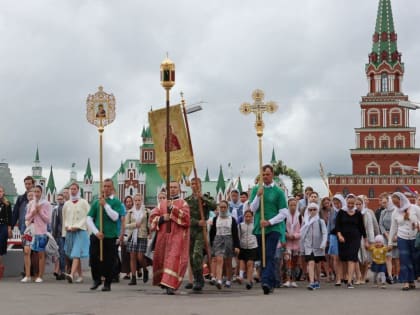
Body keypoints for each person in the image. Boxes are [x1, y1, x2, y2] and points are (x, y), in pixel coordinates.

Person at [250, 164, 288, 295]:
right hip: (259, 228)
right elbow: (252, 209)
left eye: (267, 174)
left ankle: (265, 281)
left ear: (272, 175)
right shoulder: (256, 189)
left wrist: (270, 222)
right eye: (263, 174)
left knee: (269, 254)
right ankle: (271, 282)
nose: (265, 176)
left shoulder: (279, 192)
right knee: (263, 256)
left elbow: (283, 213)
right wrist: (258, 196)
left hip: (274, 228)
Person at [149, 182, 190, 295]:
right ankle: (164, 282)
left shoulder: (183, 203)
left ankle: (170, 285)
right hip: (163, 236)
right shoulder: (161, 203)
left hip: (177, 236)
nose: (172, 189)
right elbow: (152, 217)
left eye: (174, 187)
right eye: (170, 187)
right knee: (162, 259)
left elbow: (186, 219)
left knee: (174, 259)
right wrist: (162, 218)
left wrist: (173, 210)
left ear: (179, 189)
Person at [87, 179, 124, 292]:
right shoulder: (96, 202)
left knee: (109, 260)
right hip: (98, 234)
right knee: (93, 257)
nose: (106, 188)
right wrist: (96, 232)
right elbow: (89, 218)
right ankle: (96, 279)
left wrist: (106, 205)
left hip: (110, 235)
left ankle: (107, 282)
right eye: (104, 186)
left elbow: (115, 217)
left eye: (108, 186)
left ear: (112, 188)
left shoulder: (116, 202)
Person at [185, 177, 216, 292]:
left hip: (200, 232)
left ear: (200, 185)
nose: (194, 185)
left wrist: (202, 198)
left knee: (197, 255)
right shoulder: (187, 200)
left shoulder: (205, 198)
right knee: (192, 258)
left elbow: (214, 206)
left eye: (196, 184)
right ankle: (198, 278)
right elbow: (185, 217)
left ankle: (199, 279)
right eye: (192, 184)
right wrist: (197, 222)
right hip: (191, 230)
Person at [388, 192, 420, 291]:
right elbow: (393, 228)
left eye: (398, 202)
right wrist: (390, 242)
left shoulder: (415, 208)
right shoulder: (395, 212)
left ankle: (412, 280)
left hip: (415, 237)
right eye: (394, 203)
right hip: (402, 238)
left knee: (415, 259)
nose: (397, 205)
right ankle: (406, 282)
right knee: (405, 259)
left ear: (402, 200)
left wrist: (416, 223)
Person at [336, 194, 367, 289]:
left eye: (352, 203)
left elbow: (362, 228)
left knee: (352, 258)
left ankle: (350, 280)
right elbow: (337, 226)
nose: (350, 205)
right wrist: (339, 235)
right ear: (346, 202)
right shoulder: (341, 212)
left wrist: (365, 240)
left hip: (355, 238)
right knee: (344, 258)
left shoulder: (358, 213)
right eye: (349, 203)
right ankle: (344, 278)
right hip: (343, 239)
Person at [209, 200, 240, 289]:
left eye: (224, 207)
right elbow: (212, 232)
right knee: (219, 259)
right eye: (221, 207)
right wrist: (212, 243)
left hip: (229, 239)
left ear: (227, 208)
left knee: (228, 262)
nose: (222, 209)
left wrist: (237, 246)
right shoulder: (216, 219)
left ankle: (228, 280)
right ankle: (219, 280)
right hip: (218, 239)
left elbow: (235, 234)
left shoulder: (232, 219)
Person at [63, 183, 90, 283]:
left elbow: (88, 216)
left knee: (76, 252)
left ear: (78, 190)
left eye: (75, 189)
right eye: (71, 189)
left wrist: (79, 226)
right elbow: (65, 217)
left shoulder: (84, 202)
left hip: (80, 231)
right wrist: (66, 227)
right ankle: (80, 276)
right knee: (75, 254)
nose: (73, 191)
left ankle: (71, 274)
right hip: (70, 231)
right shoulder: (67, 203)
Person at [24, 185, 51, 283]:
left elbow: (48, 220)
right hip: (30, 230)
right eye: (35, 191)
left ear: (41, 192)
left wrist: (40, 211)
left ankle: (40, 275)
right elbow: (26, 217)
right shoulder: (31, 203)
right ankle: (27, 275)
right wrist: (33, 212)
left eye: (38, 191)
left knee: (40, 253)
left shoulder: (46, 204)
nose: (36, 193)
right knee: (26, 251)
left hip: (41, 231)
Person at [300, 203, 327, 290]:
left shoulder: (320, 221)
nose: (312, 211)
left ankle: (317, 280)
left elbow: (324, 233)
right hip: (308, 246)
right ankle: (311, 282)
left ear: (317, 210)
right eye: (310, 210)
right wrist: (302, 247)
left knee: (317, 264)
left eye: (314, 209)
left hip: (318, 247)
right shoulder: (305, 222)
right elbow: (302, 235)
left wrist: (323, 243)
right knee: (311, 263)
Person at [126, 193, 149, 286]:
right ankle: (133, 277)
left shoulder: (147, 211)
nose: (137, 202)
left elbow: (149, 223)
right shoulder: (130, 212)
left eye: (139, 200)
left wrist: (150, 231)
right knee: (132, 257)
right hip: (132, 236)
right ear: (133, 201)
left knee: (140, 257)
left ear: (142, 201)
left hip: (142, 235)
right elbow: (126, 225)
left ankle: (145, 269)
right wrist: (134, 225)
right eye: (136, 200)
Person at [355, 196, 375, 284]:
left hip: (365, 238)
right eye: (356, 204)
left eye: (359, 204)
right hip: (355, 238)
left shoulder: (367, 214)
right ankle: (358, 276)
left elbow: (370, 228)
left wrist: (370, 241)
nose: (358, 206)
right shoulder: (353, 213)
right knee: (358, 258)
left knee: (365, 258)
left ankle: (364, 276)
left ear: (362, 204)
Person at [379, 194, 399, 284]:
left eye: (385, 202)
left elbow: (399, 223)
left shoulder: (396, 211)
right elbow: (380, 224)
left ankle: (397, 275)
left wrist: (396, 235)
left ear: (389, 201)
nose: (383, 204)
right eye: (383, 202)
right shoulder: (383, 212)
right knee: (388, 256)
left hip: (395, 236)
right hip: (386, 236)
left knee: (396, 258)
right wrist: (386, 234)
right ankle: (390, 276)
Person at [237, 209, 258, 289]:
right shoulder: (240, 225)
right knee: (242, 261)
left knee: (250, 263)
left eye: (249, 216)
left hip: (252, 246)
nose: (248, 218)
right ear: (244, 217)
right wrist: (237, 246)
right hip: (243, 246)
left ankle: (249, 281)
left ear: (252, 217)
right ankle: (241, 276)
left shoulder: (255, 225)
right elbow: (238, 236)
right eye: (246, 216)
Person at [283, 197, 301, 288]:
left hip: (297, 243)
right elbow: (282, 228)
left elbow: (302, 229)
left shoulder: (300, 216)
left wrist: (295, 236)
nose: (293, 207)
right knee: (288, 262)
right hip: (288, 243)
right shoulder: (285, 216)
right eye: (291, 205)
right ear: (288, 206)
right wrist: (286, 234)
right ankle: (287, 280)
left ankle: (293, 280)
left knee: (294, 262)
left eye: (294, 205)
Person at [328, 194, 345, 286]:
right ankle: (338, 278)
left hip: (343, 236)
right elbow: (329, 225)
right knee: (335, 257)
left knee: (342, 258)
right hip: (334, 236)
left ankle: (344, 276)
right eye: (335, 203)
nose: (337, 205)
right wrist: (328, 237)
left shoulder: (345, 212)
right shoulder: (332, 212)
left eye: (338, 203)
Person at [51, 193, 66, 280]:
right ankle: (58, 270)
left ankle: (61, 271)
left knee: (62, 253)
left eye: (61, 199)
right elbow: (53, 222)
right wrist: (53, 233)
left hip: (62, 233)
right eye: (58, 199)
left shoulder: (64, 208)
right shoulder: (55, 209)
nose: (60, 200)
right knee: (57, 253)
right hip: (56, 234)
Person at [0, 185, 12, 279]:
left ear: (3, 193)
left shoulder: (7, 203)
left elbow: (10, 217)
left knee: (1, 244)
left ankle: (1, 267)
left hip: (3, 226)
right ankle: (1, 267)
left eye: (1, 191)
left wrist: (9, 228)